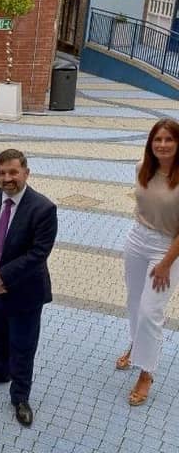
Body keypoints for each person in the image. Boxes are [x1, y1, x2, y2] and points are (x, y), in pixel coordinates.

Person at [0, 149, 57, 426]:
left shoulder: (43, 208)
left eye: (13, 172)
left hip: (24, 292)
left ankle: (20, 396)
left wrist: (3, 277)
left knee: (23, 344)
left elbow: (38, 254)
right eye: (2, 173)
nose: (8, 178)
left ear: (26, 173)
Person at [116, 118, 179, 406]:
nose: (163, 145)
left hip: (167, 248)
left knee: (149, 311)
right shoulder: (142, 169)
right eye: (158, 139)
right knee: (133, 301)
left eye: (169, 140)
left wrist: (166, 262)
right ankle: (136, 344)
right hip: (137, 239)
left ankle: (146, 371)